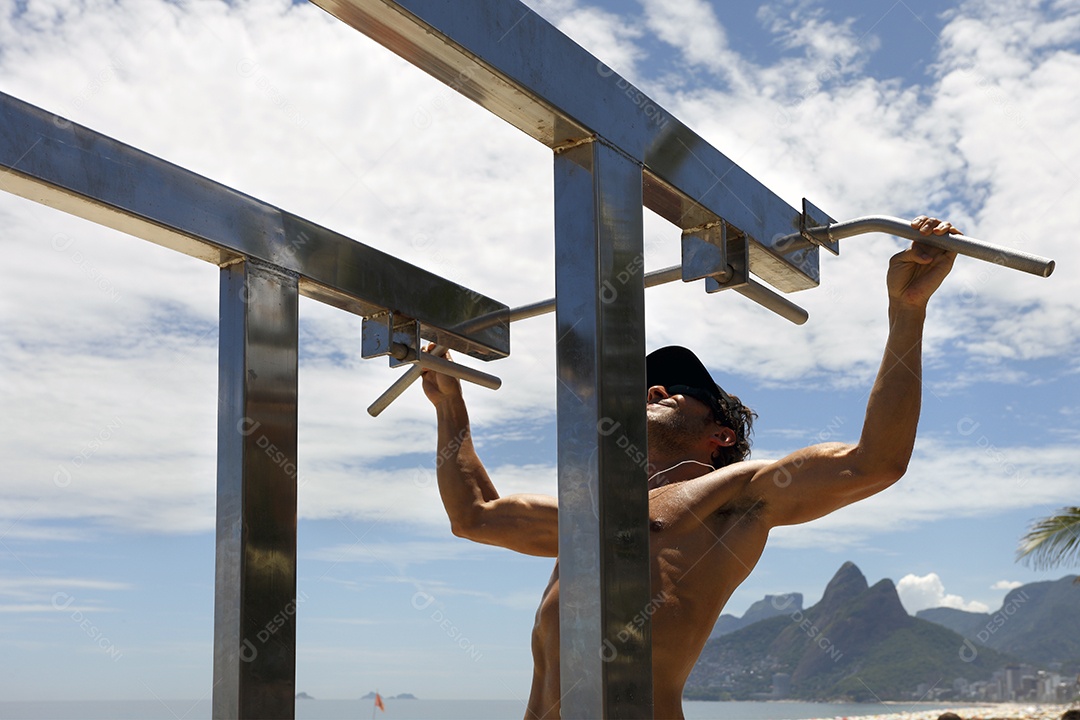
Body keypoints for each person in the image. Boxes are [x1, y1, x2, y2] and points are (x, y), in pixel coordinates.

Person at [420, 216, 960, 720]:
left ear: (720, 435)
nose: (654, 389)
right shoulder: (591, 518)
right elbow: (476, 515)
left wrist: (906, 311)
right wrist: (449, 404)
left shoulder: (735, 495)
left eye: (679, 390)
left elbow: (875, 462)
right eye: (647, 387)